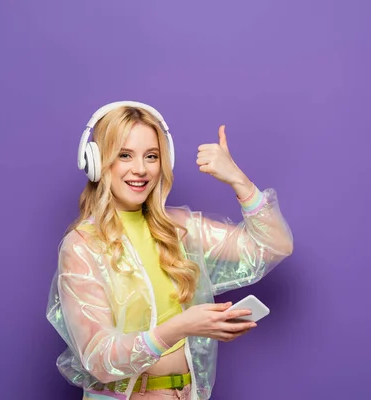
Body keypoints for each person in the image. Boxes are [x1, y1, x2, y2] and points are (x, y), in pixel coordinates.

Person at [46, 101, 294, 400]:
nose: (141, 169)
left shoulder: (177, 227)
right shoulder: (83, 245)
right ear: (97, 161)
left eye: (151, 156)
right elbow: (100, 358)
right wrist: (181, 326)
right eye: (124, 155)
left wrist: (239, 181)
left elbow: (273, 246)